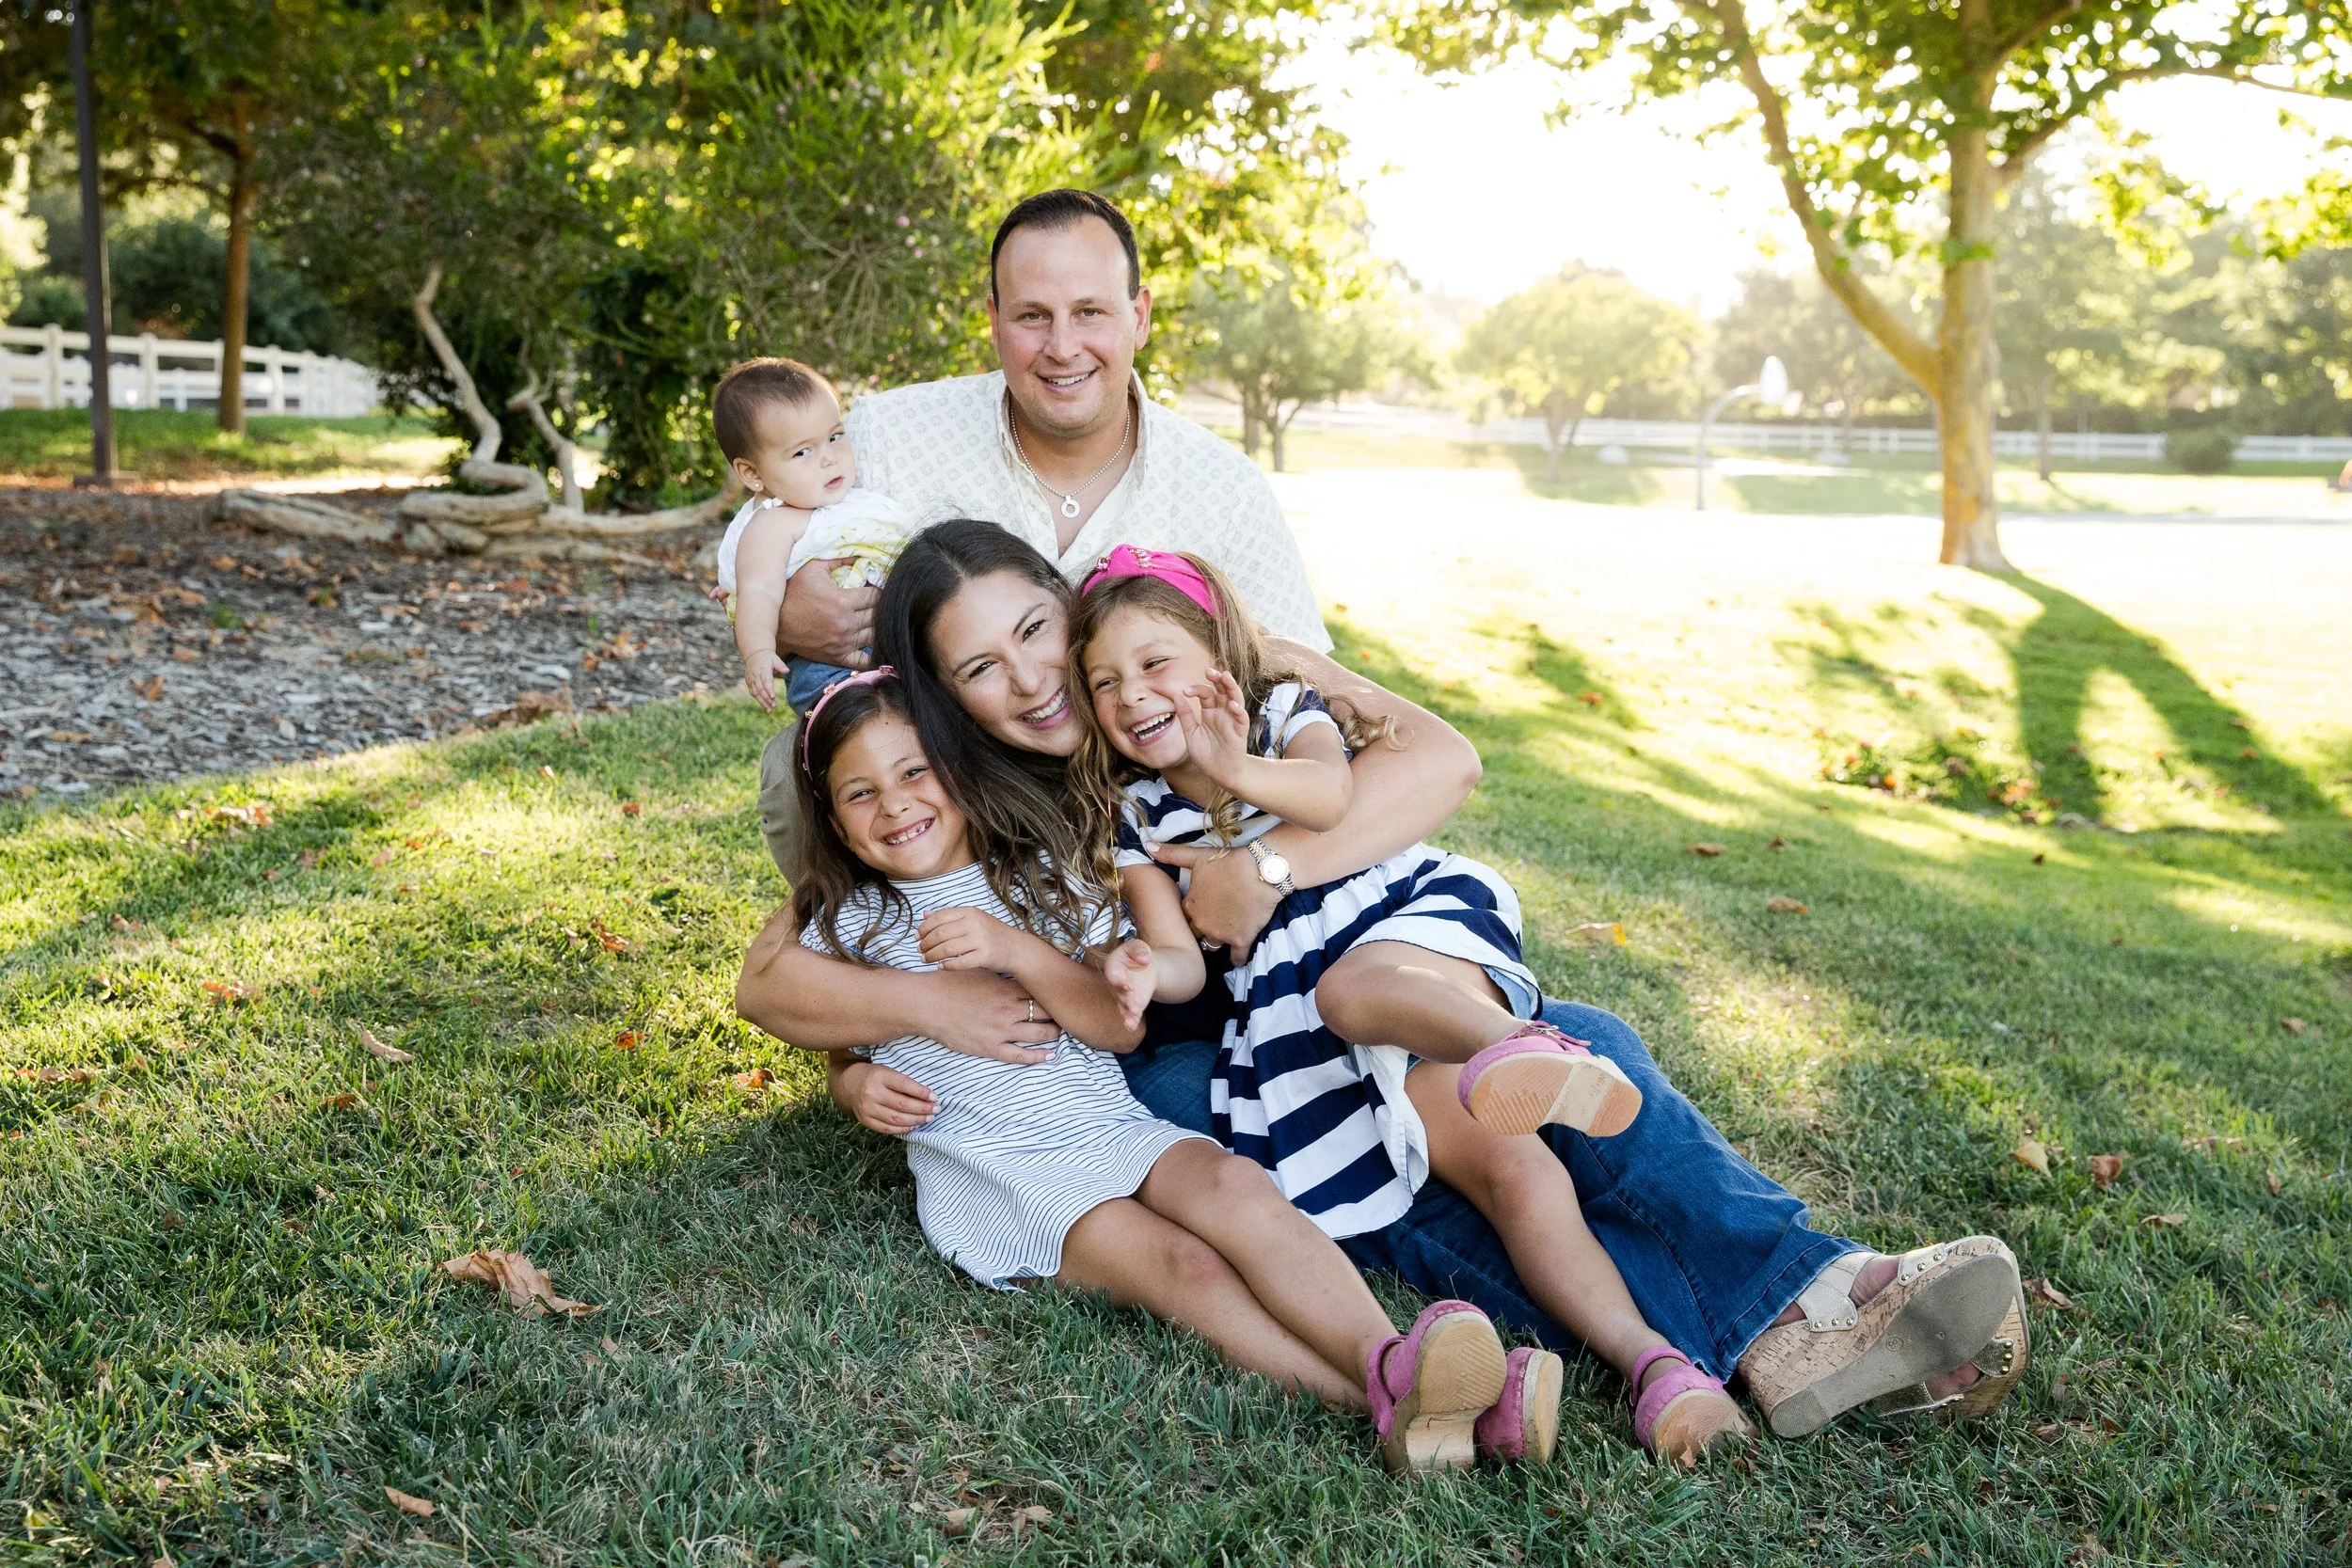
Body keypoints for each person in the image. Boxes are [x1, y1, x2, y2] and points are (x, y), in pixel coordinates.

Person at [736, 517, 2030, 1448]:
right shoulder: (952, 794)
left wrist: (1275, 870)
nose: (1027, 677)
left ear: (1069, 605)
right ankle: (1763, 1333)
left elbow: (1438, 761)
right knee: (1412, 1184)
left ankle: (1797, 1302)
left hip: (1336, 969)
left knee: (1553, 1060)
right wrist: (895, 1036)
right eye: (977, 666)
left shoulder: (1195, 663)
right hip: (1173, 1061)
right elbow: (792, 968)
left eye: (1033, 630)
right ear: (942, 693)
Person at [1069, 543, 1751, 1466]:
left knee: (1360, 988)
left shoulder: (1278, 714)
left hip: (1391, 925)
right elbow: (1190, 960)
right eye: (1104, 682)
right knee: (1512, 1175)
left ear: (1219, 655)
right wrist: (1145, 972)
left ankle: (1524, 1044)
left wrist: (1234, 763)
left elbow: (1329, 789)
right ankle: (1659, 1367)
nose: (1131, 694)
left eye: (1154, 663)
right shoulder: (1137, 815)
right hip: (1294, 1005)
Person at [777, 662, 1549, 1475]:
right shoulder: (839, 924)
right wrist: (853, 1084)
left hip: (1105, 1122)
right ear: (830, 816)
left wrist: (1014, 950)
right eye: (859, 792)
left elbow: (1112, 1027)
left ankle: (1390, 1357)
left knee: (1236, 1187)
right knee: (1185, 1266)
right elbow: (841, 1045)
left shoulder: (1041, 880)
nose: (894, 804)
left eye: (912, 772)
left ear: (957, 770)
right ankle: (1383, 1405)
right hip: (999, 1170)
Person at [748, 186, 1328, 874]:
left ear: (1138, 316)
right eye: (1032, 316)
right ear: (993, 320)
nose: (1062, 347)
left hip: (1148, 776)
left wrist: (1268, 858)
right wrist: (785, 616)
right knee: (794, 766)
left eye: (1090, 312)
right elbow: (755, 546)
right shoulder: (888, 435)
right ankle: (876, 944)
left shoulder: (1221, 485)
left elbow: (1303, 675)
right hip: (958, 763)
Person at [708, 357, 912, 713]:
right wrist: (758, 651)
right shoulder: (773, 524)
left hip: (895, 648)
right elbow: (759, 591)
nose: (830, 458)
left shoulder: (851, 501)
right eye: (803, 452)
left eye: (835, 437)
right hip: (828, 670)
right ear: (752, 473)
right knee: (858, 722)